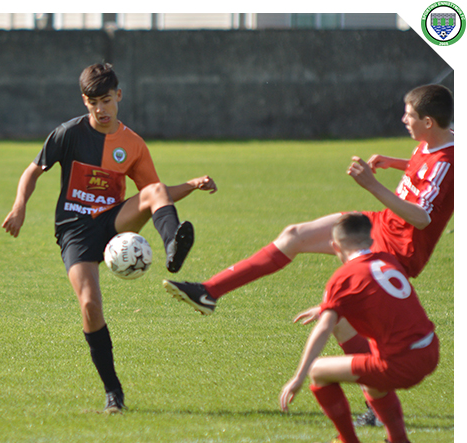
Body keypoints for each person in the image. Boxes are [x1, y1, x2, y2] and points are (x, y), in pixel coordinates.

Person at [164, 83, 453, 425]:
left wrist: (373, 185)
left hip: (396, 249)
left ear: (429, 123)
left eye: (410, 115)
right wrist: (396, 163)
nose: (403, 119)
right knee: (294, 235)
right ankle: (209, 291)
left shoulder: (446, 163)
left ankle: (377, 407)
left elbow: (422, 217)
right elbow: (425, 169)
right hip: (380, 225)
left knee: (344, 321)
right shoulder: (440, 141)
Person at [2, 63, 217, 413]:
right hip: (74, 229)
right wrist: (19, 206)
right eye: (92, 103)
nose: (100, 110)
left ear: (119, 96)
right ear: (84, 102)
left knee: (154, 189)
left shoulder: (132, 145)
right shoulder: (68, 133)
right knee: (89, 306)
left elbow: (154, 194)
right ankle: (113, 391)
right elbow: (33, 170)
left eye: (106, 100)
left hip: (112, 221)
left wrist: (192, 185)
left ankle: (172, 246)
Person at [279, 213, 439, 443]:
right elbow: (378, 295)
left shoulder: (343, 278)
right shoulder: (387, 259)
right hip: (430, 350)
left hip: (402, 364)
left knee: (318, 371)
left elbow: (323, 328)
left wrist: (299, 376)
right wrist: (326, 308)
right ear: (371, 240)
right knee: (370, 374)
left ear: (335, 247)